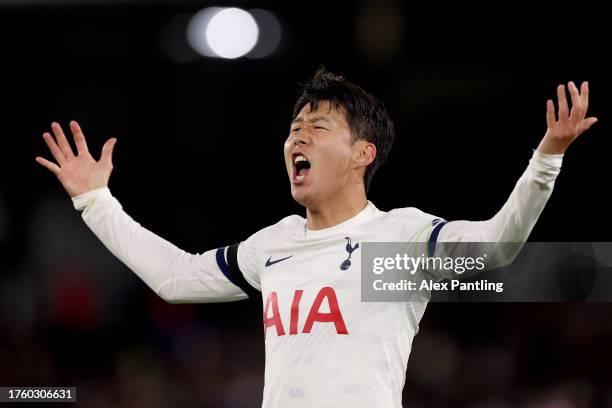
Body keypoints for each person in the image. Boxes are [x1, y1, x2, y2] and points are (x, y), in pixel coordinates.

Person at [35, 68, 597, 407]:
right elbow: (177, 279)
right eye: (293, 128)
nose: (297, 135)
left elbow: (498, 248)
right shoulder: (274, 245)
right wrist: (95, 201)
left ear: (362, 154)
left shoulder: (399, 239)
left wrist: (546, 158)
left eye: (317, 126)